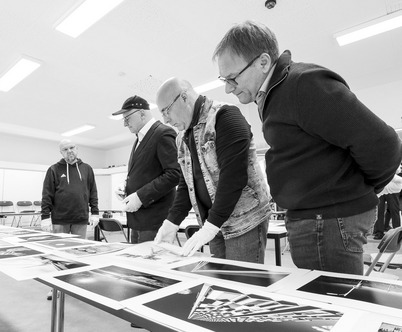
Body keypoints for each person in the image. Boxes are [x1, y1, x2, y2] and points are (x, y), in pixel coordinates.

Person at [213, 20, 402, 275]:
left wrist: (362, 189)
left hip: (328, 223)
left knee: (332, 307)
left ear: (263, 62)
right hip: (318, 222)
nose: (228, 87)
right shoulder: (274, 94)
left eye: (233, 78)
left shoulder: (303, 84)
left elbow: (384, 144)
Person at [154, 77, 271, 263]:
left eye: (166, 111)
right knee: (220, 283)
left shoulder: (225, 116)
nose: (165, 120)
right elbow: (186, 186)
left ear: (184, 97)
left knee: (241, 284)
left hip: (243, 222)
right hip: (214, 224)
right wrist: (171, 223)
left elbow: (233, 178)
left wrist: (210, 226)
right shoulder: (182, 137)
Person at [112, 95, 180, 244]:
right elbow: (146, 173)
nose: (125, 124)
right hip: (138, 220)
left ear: (142, 113)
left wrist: (140, 196)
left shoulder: (162, 133)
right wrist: (127, 187)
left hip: (154, 220)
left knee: (151, 264)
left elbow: (174, 173)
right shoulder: (139, 139)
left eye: (127, 118)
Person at [41, 139, 99, 299]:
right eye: (65, 149)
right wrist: (45, 217)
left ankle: (75, 283)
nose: (69, 151)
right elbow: (47, 194)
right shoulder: (53, 169)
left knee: (78, 253)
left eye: (72, 147)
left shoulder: (87, 169)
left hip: (80, 218)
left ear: (77, 149)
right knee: (59, 254)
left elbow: (93, 191)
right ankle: (57, 286)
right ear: (61, 152)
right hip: (60, 219)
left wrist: (95, 212)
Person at [373, 166, 402, 239]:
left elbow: (398, 170)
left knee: (394, 209)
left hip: (392, 186)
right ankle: (379, 232)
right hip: (381, 186)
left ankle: (397, 232)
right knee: (380, 210)